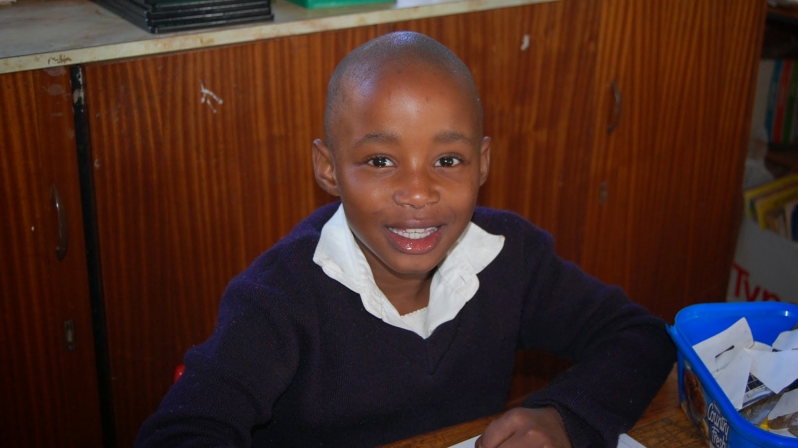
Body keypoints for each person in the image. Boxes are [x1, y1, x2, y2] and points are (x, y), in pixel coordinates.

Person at [135, 31, 676, 448]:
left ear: (482, 163)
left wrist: (564, 417)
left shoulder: (509, 258)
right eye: (379, 161)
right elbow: (180, 433)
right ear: (328, 168)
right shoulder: (278, 300)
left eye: (448, 160)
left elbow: (638, 336)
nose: (418, 193)